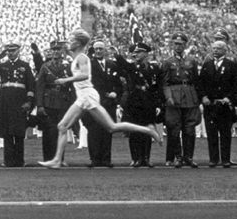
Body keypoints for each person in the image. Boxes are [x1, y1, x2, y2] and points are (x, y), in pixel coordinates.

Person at [39, 29, 162, 169]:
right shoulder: (77, 55)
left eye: (72, 40)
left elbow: (85, 75)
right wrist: (63, 44)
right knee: (63, 126)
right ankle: (57, 160)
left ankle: (148, 131)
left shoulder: (82, 58)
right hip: (83, 95)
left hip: (87, 95)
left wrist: (66, 80)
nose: (69, 43)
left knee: (111, 127)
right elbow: (67, 48)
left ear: (79, 43)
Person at [115, 42, 163, 167]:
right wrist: (117, 55)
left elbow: (157, 88)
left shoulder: (154, 68)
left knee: (147, 130)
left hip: (148, 103)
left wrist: (158, 104)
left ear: (146, 53)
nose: (135, 54)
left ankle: (146, 158)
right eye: (135, 52)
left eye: (139, 52)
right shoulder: (132, 67)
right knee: (134, 131)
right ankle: (136, 158)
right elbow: (124, 66)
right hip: (134, 103)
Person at [0, 42, 36, 167]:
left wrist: (29, 101)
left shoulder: (25, 66)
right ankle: (8, 160)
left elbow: (31, 85)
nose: (10, 53)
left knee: (19, 132)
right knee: (7, 132)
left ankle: (19, 160)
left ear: (18, 51)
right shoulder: (3, 65)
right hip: (6, 102)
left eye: (13, 51)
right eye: (8, 51)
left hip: (20, 102)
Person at [160, 33, 202, 168]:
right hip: (174, 96)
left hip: (189, 96)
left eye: (180, 43)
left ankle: (188, 157)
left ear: (185, 45)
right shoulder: (167, 62)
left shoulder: (191, 61)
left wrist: (197, 98)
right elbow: (165, 83)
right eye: (175, 43)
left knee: (189, 129)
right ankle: (177, 157)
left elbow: (196, 81)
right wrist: (169, 97)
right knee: (174, 128)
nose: (178, 46)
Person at [199, 39, 237, 168]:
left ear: (224, 50)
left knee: (225, 133)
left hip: (225, 104)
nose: (215, 50)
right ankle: (213, 159)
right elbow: (201, 83)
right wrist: (203, 97)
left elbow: (236, 85)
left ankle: (225, 159)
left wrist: (229, 98)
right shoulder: (207, 65)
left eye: (218, 48)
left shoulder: (231, 65)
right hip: (210, 104)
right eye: (214, 48)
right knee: (211, 133)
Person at [35, 40, 75, 163]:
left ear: (62, 51)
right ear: (51, 51)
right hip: (49, 102)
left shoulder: (68, 66)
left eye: (58, 49)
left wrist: (72, 102)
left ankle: (60, 158)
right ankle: (48, 157)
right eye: (54, 50)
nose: (56, 52)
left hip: (63, 101)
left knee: (61, 130)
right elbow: (40, 86)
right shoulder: (45, 66)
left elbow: (72, 85)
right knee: (48, 131)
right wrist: (40, 105)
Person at [85, 39, 122, 168]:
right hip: (95, 102)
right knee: (94, 131)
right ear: (93, 51)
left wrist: (116, 94)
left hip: (109, 104)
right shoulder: (89, 65)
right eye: (96, 49)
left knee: (107, 130)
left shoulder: (112, 65)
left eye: (101, 48)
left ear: (105, 50)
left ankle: (106, 159)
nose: (99, 51)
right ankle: (95, 159)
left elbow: (118, 84)